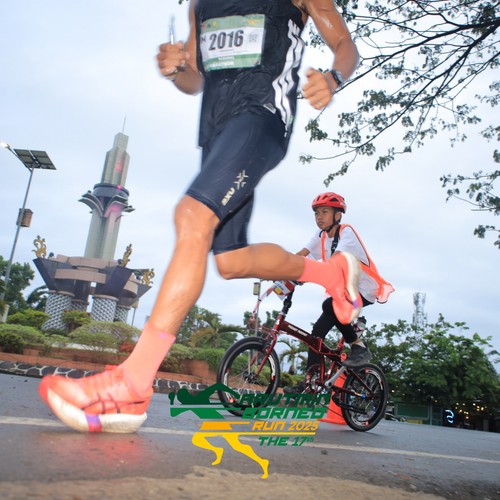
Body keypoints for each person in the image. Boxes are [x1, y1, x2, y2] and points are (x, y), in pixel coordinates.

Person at [39, 0, 361, 433]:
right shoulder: (199, 3)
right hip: (216, 131)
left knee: (192, 216)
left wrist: (334, 78)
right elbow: (195, 79)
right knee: (232, 261)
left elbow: (345, 45)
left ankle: (132, 383)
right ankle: (330, 274)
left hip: (262, 116)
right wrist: (176, 70)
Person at [285, 192, 394, 394]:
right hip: (343, 291)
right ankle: (310, 381)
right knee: (316, 335)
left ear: (337, 215)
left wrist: (306, 274)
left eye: (325, 212)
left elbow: (336, 261)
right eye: (316, 213)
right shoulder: (321, 236)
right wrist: (280, 268)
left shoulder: (347, 233)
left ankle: (359, 347)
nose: (319, 217)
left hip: (364, 290)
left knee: (329, 305)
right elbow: (301, 255)